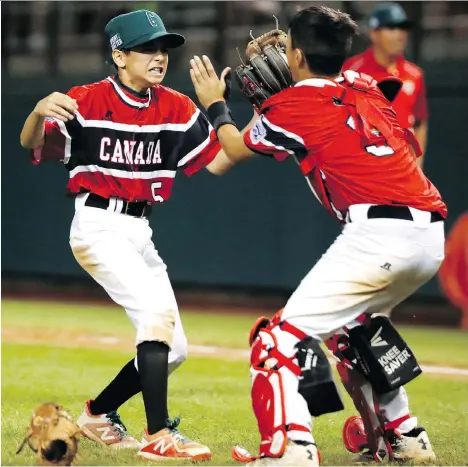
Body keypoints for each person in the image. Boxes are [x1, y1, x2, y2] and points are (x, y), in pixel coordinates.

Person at [189, 5, 445, 466]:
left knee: (275, 339)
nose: (281, 54)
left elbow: (228, 151)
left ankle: (290, 450)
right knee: (354, 330)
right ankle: (404, 435)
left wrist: (215, 102)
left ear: (299, 55)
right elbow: (323, 99)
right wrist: (294, 69)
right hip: (428, 235)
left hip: (378, 234)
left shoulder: (290, 106)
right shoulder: (365, 85)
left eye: (287, 48)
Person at [19, 9, 234, 462]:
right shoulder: (86, 100)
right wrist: (38, 111)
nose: (159, 57)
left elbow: (221, 160)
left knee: (174, 349)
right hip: (98, 225)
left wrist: (222, 109)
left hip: (139, 229)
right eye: (147, 48)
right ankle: (158, 436)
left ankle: (98, 413)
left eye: (163, 49)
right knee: (156, 317)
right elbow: (31, 143)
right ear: (119, 54)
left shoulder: (176, 106)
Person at [344, 2, 429, 166]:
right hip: (365, 168)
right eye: (391, 28)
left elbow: (420, 121)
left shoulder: (414, 74)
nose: (400, 35)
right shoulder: (352, 71)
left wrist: (418, 164)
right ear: (374, 33)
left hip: (404, 170)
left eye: (402, 28)